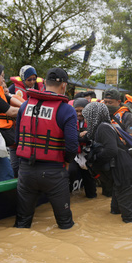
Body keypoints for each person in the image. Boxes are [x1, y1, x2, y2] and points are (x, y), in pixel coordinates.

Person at [14, 67, 78, 230]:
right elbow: (72, 146)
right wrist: (67, 162)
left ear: (44, 83)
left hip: (26, 171)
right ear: (63, 86)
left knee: (22, 224)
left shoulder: (25, 106)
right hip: (54, 173)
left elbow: (17, 140)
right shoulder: (67, 110)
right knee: (65, 225)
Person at [83, 102, 132, 223]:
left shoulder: (103, 128)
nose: (86, 120)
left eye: (87, 117)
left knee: (130, 219)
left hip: (124, 174)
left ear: (94, 116)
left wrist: (94, 158)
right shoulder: (105, 127)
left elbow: (111, 150)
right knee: (115, 211)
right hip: (120, 174)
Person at [68, 97, 97, 198]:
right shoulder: (69, 119)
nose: (79, 113)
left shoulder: (94, 120)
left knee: (91, 191)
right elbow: (68, 135)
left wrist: (78, 136)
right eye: (77, 111)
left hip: (87, 155)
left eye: (82, 111)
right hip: (74, 155)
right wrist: (80, 135)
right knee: (70, 172)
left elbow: (89, 137)